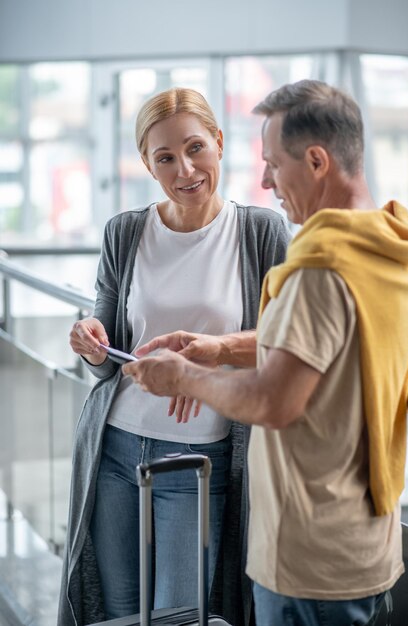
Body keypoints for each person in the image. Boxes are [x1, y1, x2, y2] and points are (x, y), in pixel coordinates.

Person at [123, 79, 408, 626]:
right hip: (368, 541)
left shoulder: (319, 269)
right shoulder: (388, 247)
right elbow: (328, 344)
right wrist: (222, 348)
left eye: (274, 164)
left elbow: (274, 399)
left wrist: (182, 377)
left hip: (312, 556)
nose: (265, 180)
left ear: (316, 161)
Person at [57, 87, 291, 626]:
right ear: (147, 163)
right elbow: (106, 352)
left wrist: (211, 361)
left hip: (198, 461)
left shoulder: (260, 232)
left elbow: (283, 344)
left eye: (195, 148)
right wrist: (89, 340)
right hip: (113, 449)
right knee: (116, 611)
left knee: (180, 615)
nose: (184, 168)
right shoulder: (125, 231)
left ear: (220, 143)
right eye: (164, 157)